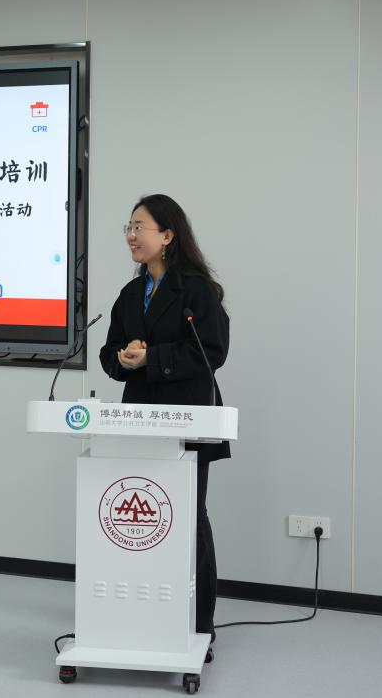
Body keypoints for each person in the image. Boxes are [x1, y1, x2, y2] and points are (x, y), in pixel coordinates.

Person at [98, 193, 229, 659]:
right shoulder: (129, 294)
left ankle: (199, 625)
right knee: (145, 517)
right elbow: (108, 354)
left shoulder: (197, 290)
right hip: (138, 420)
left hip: (186, 418)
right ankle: (142, 616)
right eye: (128, 228)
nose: (131, 236)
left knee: (188, 518)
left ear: (168, 235)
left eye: (140, 227)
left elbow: (211, 351)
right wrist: (123, 358)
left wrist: (152, 358)